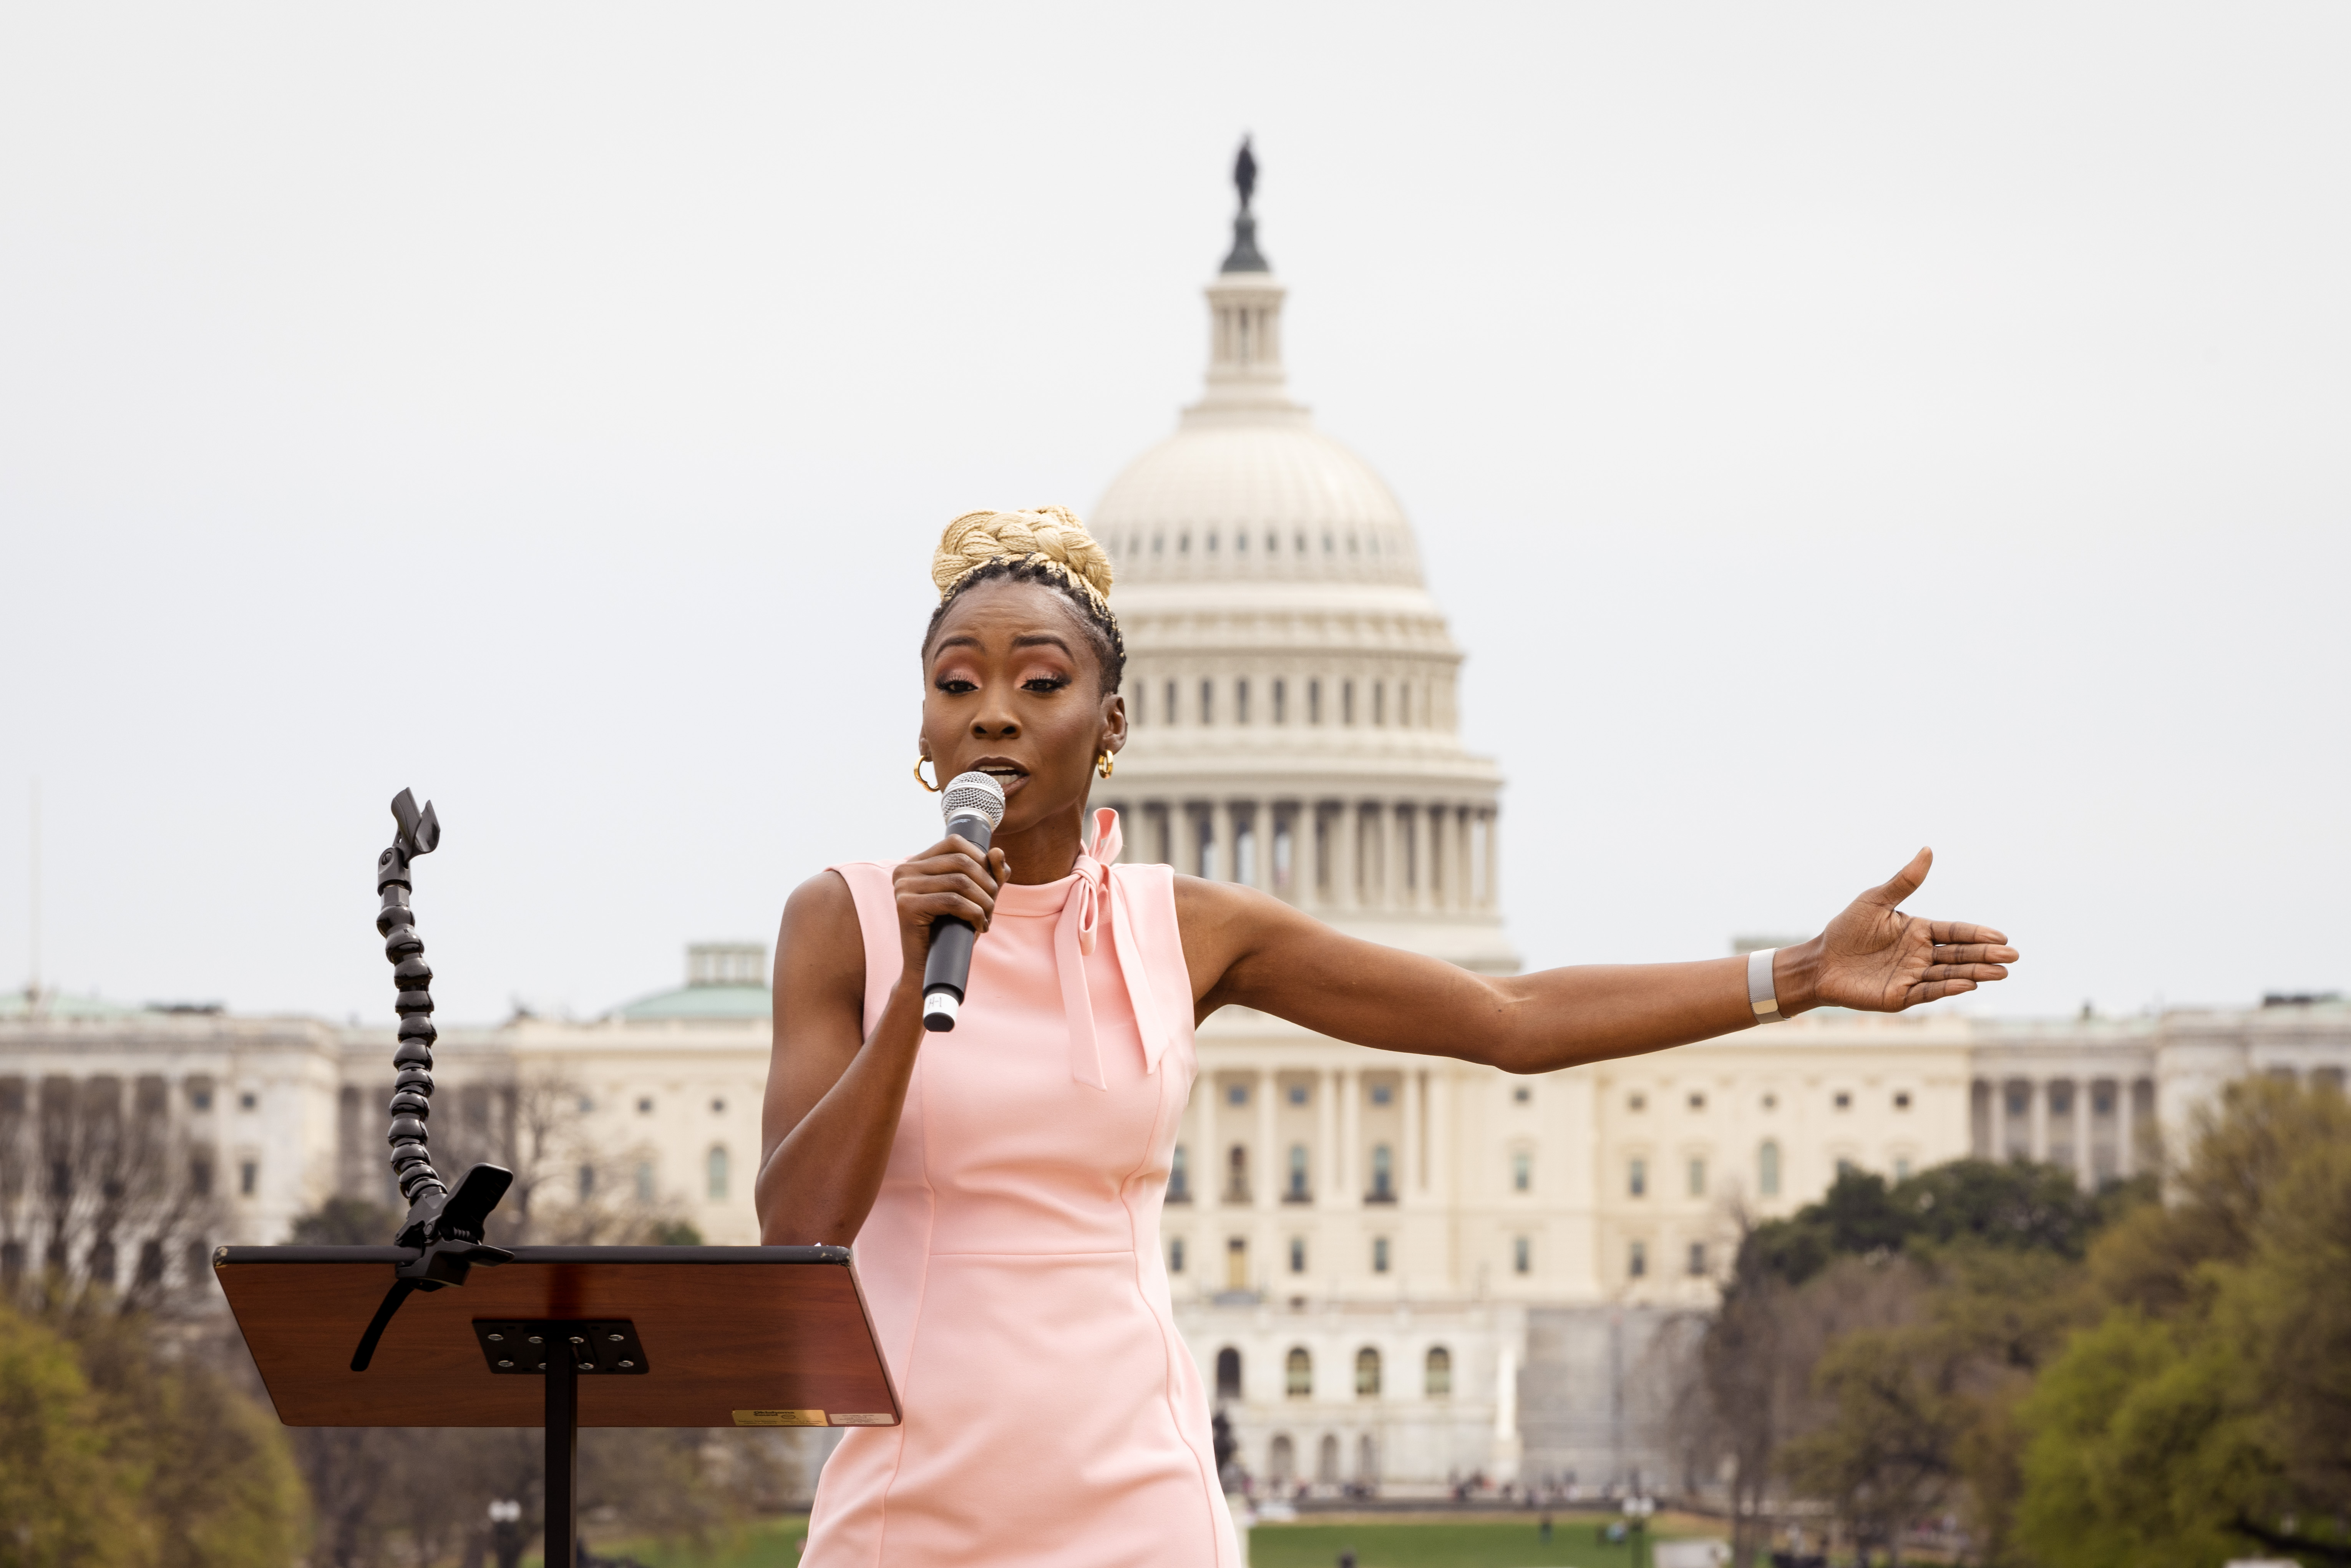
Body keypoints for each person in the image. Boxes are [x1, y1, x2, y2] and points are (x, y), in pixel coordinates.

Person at [755, 507, 2018, 1567]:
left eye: (1040, 680)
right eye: (956, 683)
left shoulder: (1189, 929)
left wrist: (1793, 975)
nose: (994, 714)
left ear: (1115, 721)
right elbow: (799, 1225)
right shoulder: (844, 924)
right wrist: (918, 979)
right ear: (924, 729)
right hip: (909, 1492)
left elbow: (1506, 1020)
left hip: (1133, 1492)